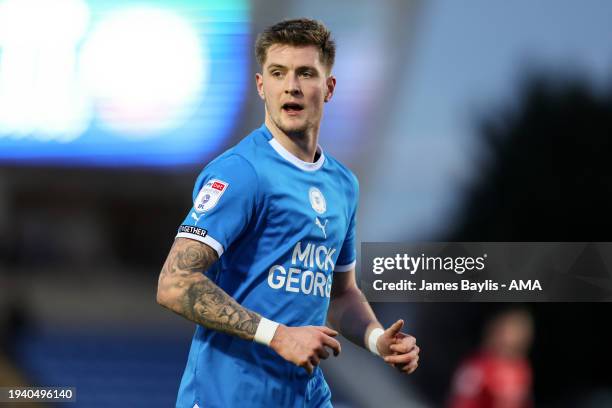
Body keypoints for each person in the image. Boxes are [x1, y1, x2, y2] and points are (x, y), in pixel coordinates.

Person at [156, 18, 420, 408]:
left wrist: (377, 340)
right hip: (226, 396)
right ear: (262, 86)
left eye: (306, 73)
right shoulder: (241, 172)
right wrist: (278, 335)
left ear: (328, 88)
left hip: (303, 394)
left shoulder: (343, 184)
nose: (291, 86)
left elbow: (340, 293)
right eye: (279, 73)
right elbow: (174, 283)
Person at [448, 308, 534, 408]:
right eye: (509, 331)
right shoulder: (476, 366)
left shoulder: (522, 367)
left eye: (520, 330)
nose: (513, 337)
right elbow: (461, 401)